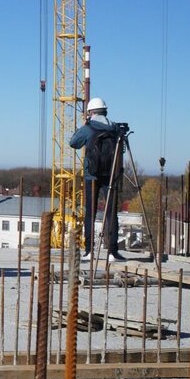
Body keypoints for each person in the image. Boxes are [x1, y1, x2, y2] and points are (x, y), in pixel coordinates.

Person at [69, 97, 125, 261]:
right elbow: (121, 151)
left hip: (91, 175)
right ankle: (113, 252)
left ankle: (89, 251)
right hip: (111, 175)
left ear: (90, 112)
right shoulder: (114, 128)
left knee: (90, 214)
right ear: (105, 110)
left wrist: (84, 127)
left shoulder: (88, 128)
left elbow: (73, 143)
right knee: (111, 213)